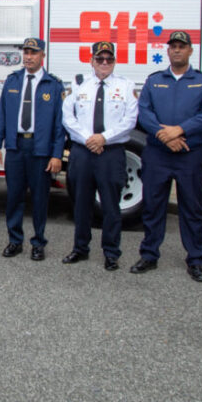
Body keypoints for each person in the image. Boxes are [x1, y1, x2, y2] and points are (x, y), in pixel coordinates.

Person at [131, 30, 202, 282]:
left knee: (191, 208)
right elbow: (144, 111)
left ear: (190, 50)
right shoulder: (154, 80)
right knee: (152, 206)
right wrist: (163, 134)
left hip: (189, 154)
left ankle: (195, 260)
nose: (177, 50)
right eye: (173, 46)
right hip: (158, 154)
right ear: (167, 51)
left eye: (182, 46)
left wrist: (179, 130)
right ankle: (149, 254)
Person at [61, 41, 138, 271]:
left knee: (111, 205)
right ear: (91, 61)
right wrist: (88, 138)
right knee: (82, 203)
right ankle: (80, 248)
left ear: (114, 61)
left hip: (111, 153)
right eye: (100, 59)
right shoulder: (79, 85)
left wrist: (103, 138)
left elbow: (130, 120)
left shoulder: (125, 86)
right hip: (83, 152)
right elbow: (68, 116)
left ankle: (111, 252)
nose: (105, 63)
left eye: (109, 59)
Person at [0, 37, 65, 261]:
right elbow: (1, 116)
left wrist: (56, 154)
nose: (28, 57)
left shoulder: (53, 85)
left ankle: (38, 242)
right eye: (26, 52)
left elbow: (60, 125)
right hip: (15, 147)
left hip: (40, 149)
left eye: (33, 53)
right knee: (14, 196)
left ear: (43, 56)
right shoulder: (12, 81)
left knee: (40, 198)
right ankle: (15, 240)